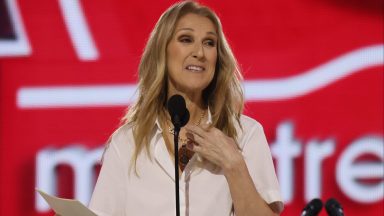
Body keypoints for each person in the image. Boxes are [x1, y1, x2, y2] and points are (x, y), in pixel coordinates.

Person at [89, 1, 284, 215]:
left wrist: (234, 165)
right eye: (186, 39)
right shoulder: (127, 142)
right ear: (162, 51)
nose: (200, 52)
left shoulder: (245, 135)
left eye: (209, 43)